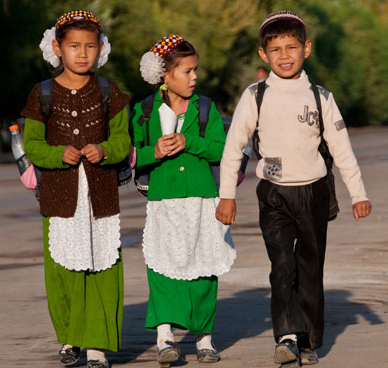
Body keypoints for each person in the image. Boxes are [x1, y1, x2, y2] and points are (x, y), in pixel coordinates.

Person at [216, 11, 372, 367]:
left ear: (307, 49)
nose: (284, 55)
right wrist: (227, 194)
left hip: (314, 192)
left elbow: (341, 149)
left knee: (310, 267)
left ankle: (308, 340)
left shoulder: (320, 97)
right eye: (275, 49)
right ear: (263, 55)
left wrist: (358, 194)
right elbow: (234, 146)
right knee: (282, 264)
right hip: (273, 193)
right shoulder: (255, 95)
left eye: (291, 47)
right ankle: (286, 336)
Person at [21, 10, 130, 368]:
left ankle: (96, 344)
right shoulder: (43, 93)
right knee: (62, 271)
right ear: (57, 47)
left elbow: (122, 140)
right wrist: (55, 154)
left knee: (103, 267)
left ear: (101, 49)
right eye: (74, 46)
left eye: (90, 46)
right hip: (58, 195)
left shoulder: (108, 91)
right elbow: (32, 144)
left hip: (100, 194)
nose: (82, 53)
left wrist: (105, 150)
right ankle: (70, 337)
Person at [130, 34, 236, 367]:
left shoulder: (206, 109)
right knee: (163, 269)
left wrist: (190, 140)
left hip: (204, 201)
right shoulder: (143, 111)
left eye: (195, 70)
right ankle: (164, 338)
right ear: (165, 74)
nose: (194, 77)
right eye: (186, 71)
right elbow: (130, 155)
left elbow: (223, 149)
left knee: (204, 271)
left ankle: (204, 339)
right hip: (163, 202)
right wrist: (154, 151)